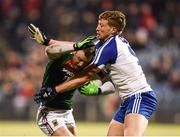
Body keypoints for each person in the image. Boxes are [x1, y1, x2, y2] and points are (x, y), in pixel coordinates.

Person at [30, 10, 158, 136]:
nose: (97, 28)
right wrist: (47, 41)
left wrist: (55, 90)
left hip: (139, 96)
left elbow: (85, 76)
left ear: (113, 30)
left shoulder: (110, 46)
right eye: (98, 24)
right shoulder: (106, 43)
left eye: (102, 25)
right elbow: (77, 46)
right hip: (127, 100)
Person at [28, 24, 116, 136]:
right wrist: (75, 45)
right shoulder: (62, 56)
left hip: (67, 113)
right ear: (74, 51)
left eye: (84, 62)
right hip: (49, 112)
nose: (80, 64)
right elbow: (49, 50)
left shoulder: (88, 67)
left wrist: (98, 90)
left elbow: (111, 86)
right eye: (79, 59)